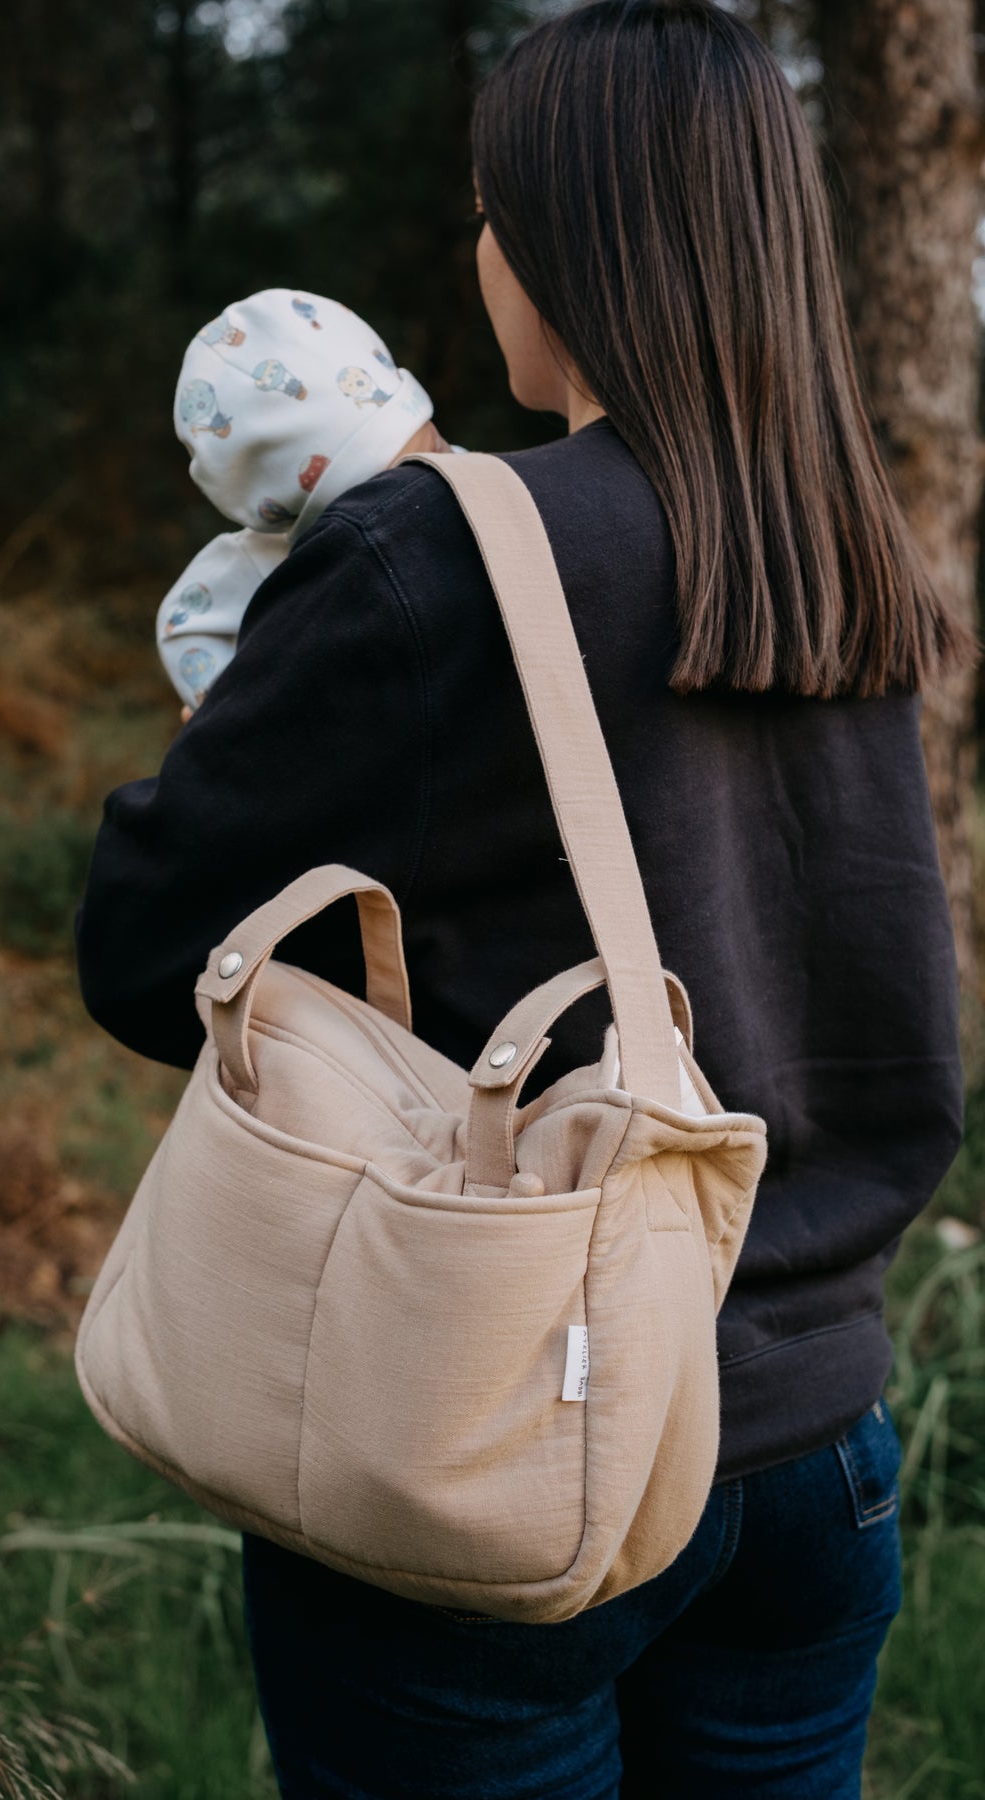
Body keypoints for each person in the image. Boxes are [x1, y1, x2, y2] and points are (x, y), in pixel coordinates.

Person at [75, 2, 974, 1793]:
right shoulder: (847, 536)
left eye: (491, 211)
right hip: (817, 1443)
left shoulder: (437, 547)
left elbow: (153, 945)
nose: (479, 252)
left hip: (498, 1414)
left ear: (558, 239)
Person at [157, 288, 453, 716]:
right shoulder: (270, 564)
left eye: (437, 449)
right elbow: (185, 624)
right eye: (397, 488)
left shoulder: (470, 481)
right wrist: (232, 713)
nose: (434, 484)